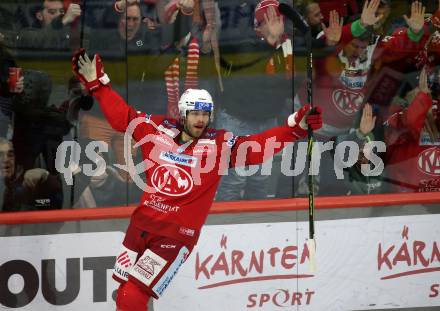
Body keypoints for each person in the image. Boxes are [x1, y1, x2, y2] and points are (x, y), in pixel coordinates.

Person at [71, 48, 322, 310]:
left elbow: (257, 148)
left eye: (205, 113)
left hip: (174, 237)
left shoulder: (219, 145)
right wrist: (97, 85)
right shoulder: (157, 128)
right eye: (195, 113)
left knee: (132, 294)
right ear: (182, 113)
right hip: (140, 227)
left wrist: (295, 129)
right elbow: (123, 116)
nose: (201, 119)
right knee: (126, 291)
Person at [0, 138, 63, 212]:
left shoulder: (29, 184)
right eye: (0, 155)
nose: (5, 159)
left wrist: (46, 178)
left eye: (10, 155)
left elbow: (54, 203)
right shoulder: (6, 187)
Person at [15, 0, 82, 50]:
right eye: (52, 12)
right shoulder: (27, 33)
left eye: (61, 11)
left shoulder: (69, 30)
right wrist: (62, 21)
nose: (59, 15)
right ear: (39, 16)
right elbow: (39, 40)